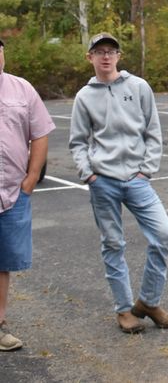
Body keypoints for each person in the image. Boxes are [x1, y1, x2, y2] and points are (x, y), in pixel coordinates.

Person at [69, 33, 168, 334]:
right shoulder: (84, 97)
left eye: (111, 51)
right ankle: (123, 310)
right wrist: (88, 174)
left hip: (137, 180)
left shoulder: (139, 87)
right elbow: (78, 142)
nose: (105, 56)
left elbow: (153, 132)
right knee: (113, 243)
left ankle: (148, 302)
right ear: (89, 57)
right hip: (102, 181)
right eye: (99, 51)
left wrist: (146, 170)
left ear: (118, 56)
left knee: (164, 234)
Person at [0, 38, 55, 352]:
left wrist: (32, 178)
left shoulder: (22, 89)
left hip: (11, 194)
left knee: (2, 263)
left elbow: (41, 133)